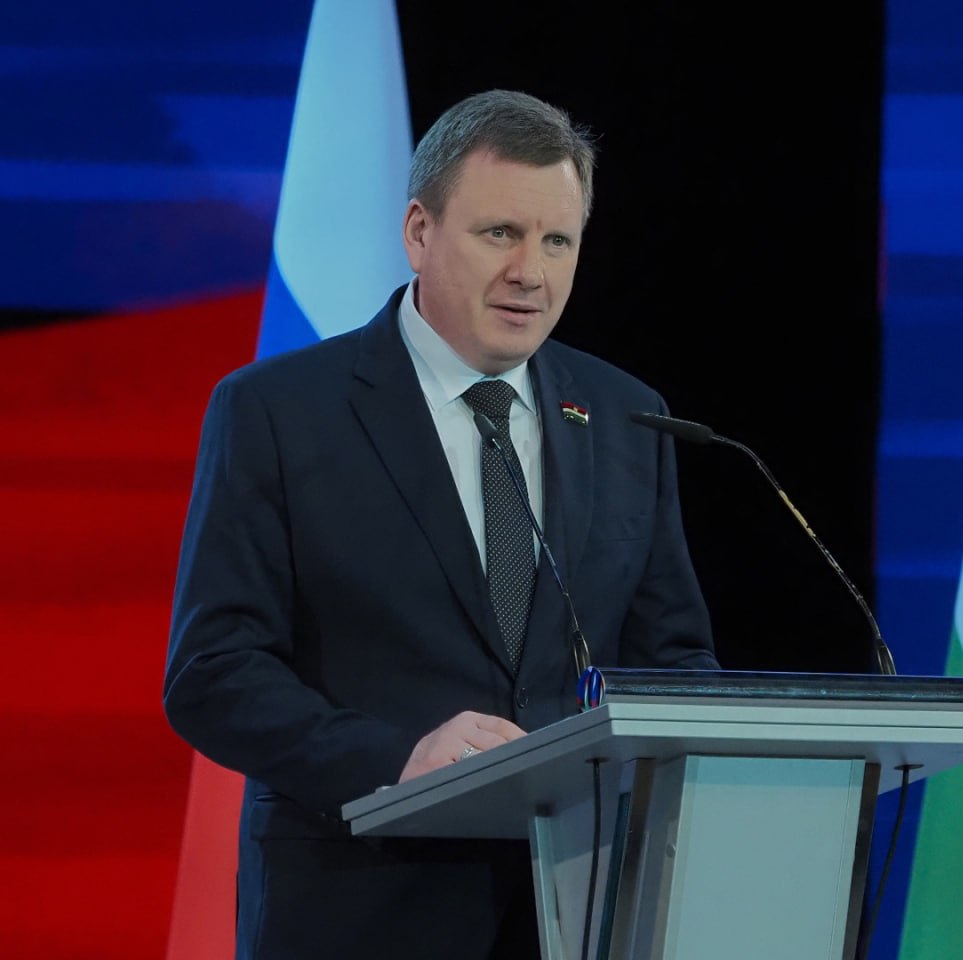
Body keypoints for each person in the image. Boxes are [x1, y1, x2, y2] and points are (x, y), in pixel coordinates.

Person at [163, 89, 718, 960]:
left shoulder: (624, 415)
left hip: (578, 910)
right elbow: (213, 672)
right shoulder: (279, 413)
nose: (531, 272)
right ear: (419, 232)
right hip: (361, 907)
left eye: (558, 240)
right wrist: (396, 760)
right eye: (500, 233)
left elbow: (673, 663)